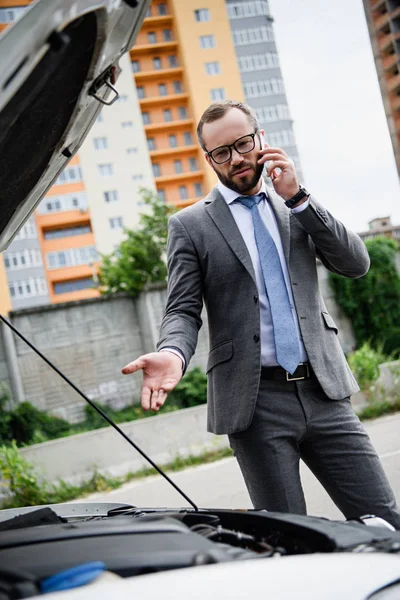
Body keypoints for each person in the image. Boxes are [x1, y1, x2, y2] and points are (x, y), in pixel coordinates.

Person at [122, 100, 400, 529]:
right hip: (256, 404)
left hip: (325, 392)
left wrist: (299, 197)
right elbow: (181, 309)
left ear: (260, 139)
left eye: (242, 144)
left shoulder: (297, 208)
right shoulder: (190, 226)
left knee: (385, 523)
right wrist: (173, 354)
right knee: (287, 539)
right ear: (209, 158)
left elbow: (355, 264)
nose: (235, 158)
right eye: (221, 152)